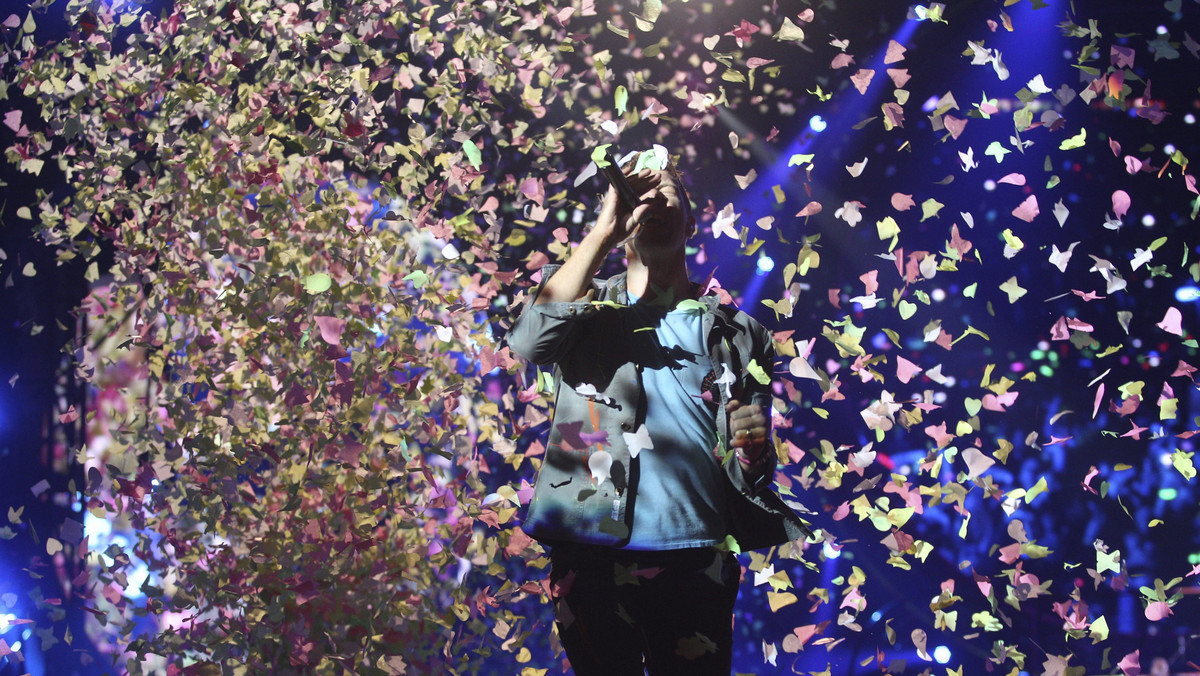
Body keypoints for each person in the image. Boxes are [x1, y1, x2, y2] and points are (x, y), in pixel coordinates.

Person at [506, 146, 811, 675]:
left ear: (690, 220)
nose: (649, 197)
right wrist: (604, 229)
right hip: (591, 553)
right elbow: (531, 341)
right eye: (636, 189)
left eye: (662, 187)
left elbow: (751, 472)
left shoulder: (741, 333)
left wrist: (755, 448)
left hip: (697, 558)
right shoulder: (586, 306)